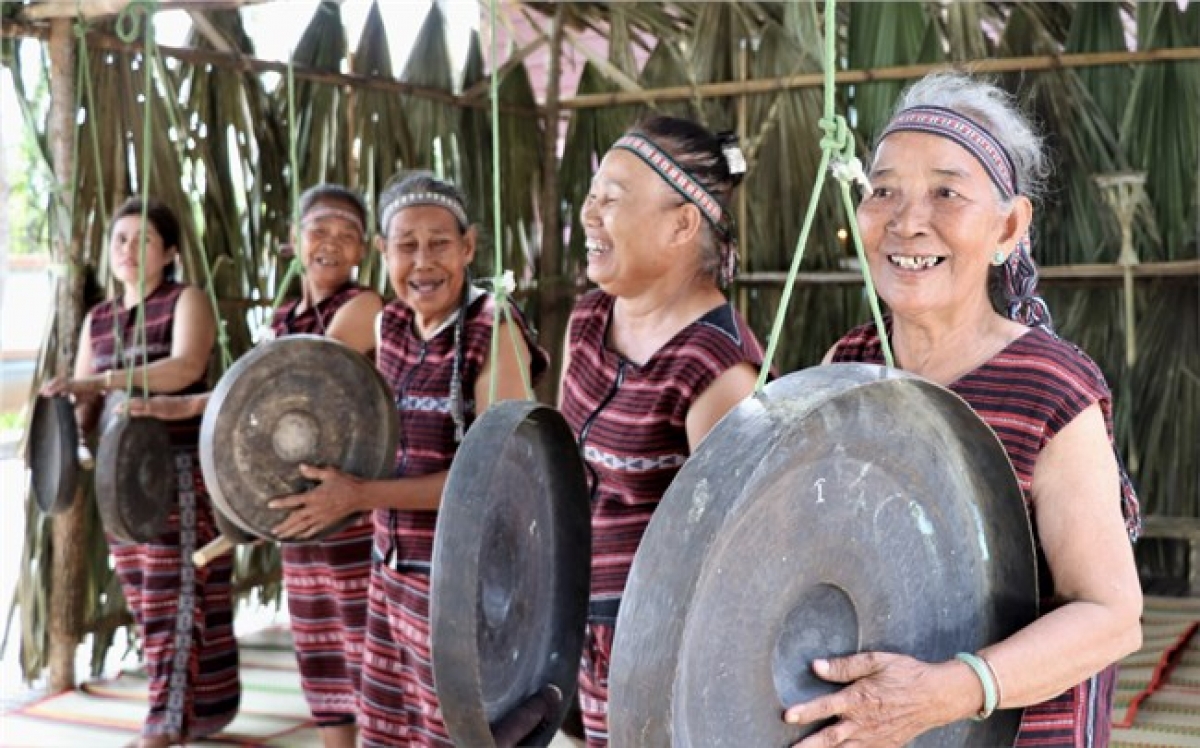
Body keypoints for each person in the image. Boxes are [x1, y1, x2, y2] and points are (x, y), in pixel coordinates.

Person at [782, 72, 1143, 747]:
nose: (907, 220)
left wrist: (943, 693)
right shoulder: (848, 361)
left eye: (946, 192)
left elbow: (1113, 616)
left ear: (1008, 226)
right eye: (882, 189)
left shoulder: (1051, 392)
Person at [266, 172, 549, 747]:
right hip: (391, 573)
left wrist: (360, 495)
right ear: (383, 253)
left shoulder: (493, 328)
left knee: (459, 735)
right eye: (407, 245)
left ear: (468, 247)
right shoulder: (389, 324)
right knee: (391, 734)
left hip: (464, 584)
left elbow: (496, 476)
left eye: (440, 244)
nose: (424, 262)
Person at [135, 184, 382, 748]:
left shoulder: (363, 306)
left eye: (347, 235)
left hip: (349, 503)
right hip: (297, 504)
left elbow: (301, 380)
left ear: (362, 251)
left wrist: (193, 402)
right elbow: (256, 395)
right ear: (295, 240)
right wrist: (191, 406)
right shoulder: (288, 312)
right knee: (320, 652)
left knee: (364, 647)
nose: (331, 244)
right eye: (319, 230)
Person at [558, 115, 765, 746]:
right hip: (580, 631)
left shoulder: (719, 372)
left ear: (681, 224)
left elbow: (738, 562)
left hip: (661, 654)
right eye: (592, 196)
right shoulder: (590, 317)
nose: (591, 214)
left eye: (612, 200)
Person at [42, 196, 240, 747]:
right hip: (120, 485)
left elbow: (185, 368)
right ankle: (197, 712)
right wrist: (58, 417)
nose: (128, 249)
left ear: (170, 252)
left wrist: (101, 383)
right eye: (120, 239)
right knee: (146, 602)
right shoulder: (99, 318)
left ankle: (163, 723)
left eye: (143, 239)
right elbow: (84, 403)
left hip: (179, 475)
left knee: (178, 596)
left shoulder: (185, 300)